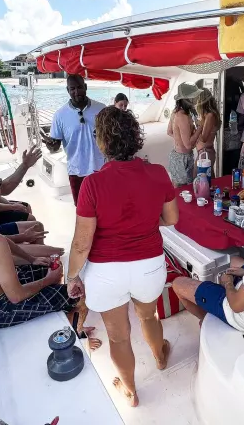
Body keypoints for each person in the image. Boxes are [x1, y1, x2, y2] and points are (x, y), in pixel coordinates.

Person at [66, 107, 179, 407]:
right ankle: (160, 355)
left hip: (105, 273)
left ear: (101, 141)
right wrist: (141, 220)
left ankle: (130, 390)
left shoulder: (92, 184)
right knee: (148, 315)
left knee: (118, 337)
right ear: (135, 137)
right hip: (149, 267)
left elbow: (81, 244)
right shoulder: (157, 173)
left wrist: (72, 277)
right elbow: (171, 219)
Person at [0, 161, 87, 331]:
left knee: (43, 266)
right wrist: (48, 280)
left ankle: (56, 301)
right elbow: (16, 296)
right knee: (76, 293)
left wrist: (32, 259)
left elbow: (0, 238)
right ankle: (78, 328)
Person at [41, 75, 105, 205]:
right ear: (68, 90)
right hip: (76, 171)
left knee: (103, 206)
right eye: (72, 89)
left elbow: (111, 137)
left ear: (85, 87)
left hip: (101, 169)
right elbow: (55, 146)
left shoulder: (102, 109)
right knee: (82, 209)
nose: (77, 92)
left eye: (80, 87)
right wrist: (50, 145)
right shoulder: (60, 115)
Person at [167, 83, 203, 186]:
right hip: (183, 159)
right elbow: (188, 145)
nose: (196, 99)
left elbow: (169, 131)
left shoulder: (175, 112)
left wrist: (180, 139)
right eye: (194, 97)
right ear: (187, 99)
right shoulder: (183, 117)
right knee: (183, 192)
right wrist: (199, 128)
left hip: (176, 156)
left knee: (178, 190)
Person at [194, 88, 221, 177]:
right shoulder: (206, 115)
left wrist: (196, 127)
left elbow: (203, 138)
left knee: (198, 179)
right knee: (207, 181)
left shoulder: (210, 115)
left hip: (206, 152)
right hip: (204, 152)